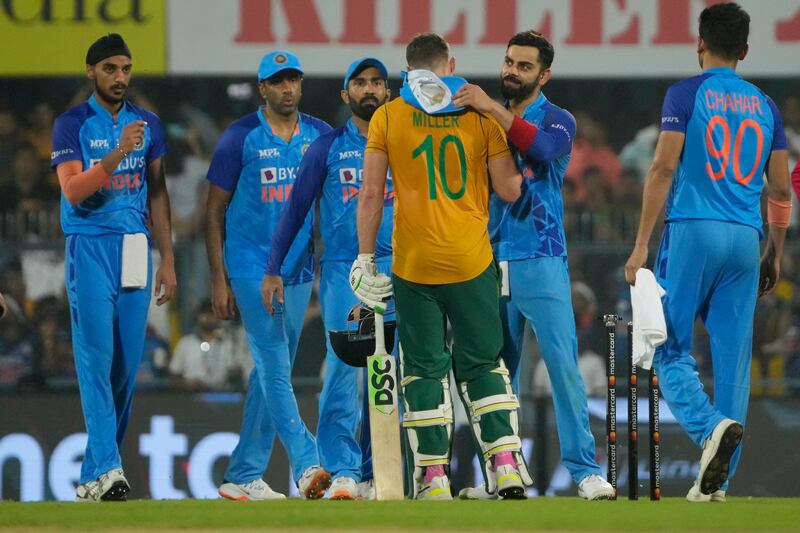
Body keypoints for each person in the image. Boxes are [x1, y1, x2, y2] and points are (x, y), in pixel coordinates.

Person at [623, 2, 791, 502]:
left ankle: (707, 428)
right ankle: (716, 486)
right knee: (733, 363)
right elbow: (781, 190)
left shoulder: (686, 93)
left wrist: (639, 248)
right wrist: (775, 252)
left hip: (693, 229)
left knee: (666, 347)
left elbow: (661, 168)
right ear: (744, 50)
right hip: (745, 239)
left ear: (700, 43)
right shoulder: (766, 105)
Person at [353, 32, 529, 500]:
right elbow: (511, 191)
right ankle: (506, 466)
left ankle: (433, 477)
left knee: (425, 370)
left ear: (407, 72)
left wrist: (365, 258)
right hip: (472, 260)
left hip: (414, 264)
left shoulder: (388, 116)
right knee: (483, 365)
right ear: (450, 65)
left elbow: (371, 194)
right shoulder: (480, 113)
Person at [450, 30, 614, 501]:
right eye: (508, 62)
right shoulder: (480, 120)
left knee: (563, 367)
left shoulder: (557, 120)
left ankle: (584, 471)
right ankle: (502, 476)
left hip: (541, 259)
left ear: (544, 75)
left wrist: (488, 108)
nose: (511, 72)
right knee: (497, 375)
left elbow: (540, 151)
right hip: (488, 259)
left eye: (523, 66)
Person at [49, 33, 177, 502]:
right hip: (90, 245)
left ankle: (95, 475)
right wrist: (119, 152)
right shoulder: (71, 124)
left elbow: (158, 193)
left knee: (125, 368)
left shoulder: (150, 124)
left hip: (136, 250)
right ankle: (108, 467)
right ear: (92, 72)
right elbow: (74, 191)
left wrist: (168, 258)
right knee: (95, 361)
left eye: (125, 69)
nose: (120, 77)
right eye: (110, 69)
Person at [262, 57, 393, 500]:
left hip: (404, 269)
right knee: (343, 369)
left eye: (377, 82)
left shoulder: (406, 143)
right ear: (345, 95)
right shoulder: (327, 147)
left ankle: (382, 471)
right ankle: (344, 471)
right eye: (360, 83)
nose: (370, 89)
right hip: (346, 271)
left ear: (389, 93)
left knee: (396, 370)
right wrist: (273, 267)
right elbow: (295, 210)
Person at [205, 50, 331, 501]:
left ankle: (243, 473)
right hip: (250, 265)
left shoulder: (318, 134)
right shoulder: (239, 137)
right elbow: (213, 209)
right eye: (277, 81)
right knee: (275, 365)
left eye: (293, 79)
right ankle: (308, 463)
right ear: (262, 88)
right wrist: (218, 279)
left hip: (296, 269)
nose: (287, 88)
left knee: (269, 372)